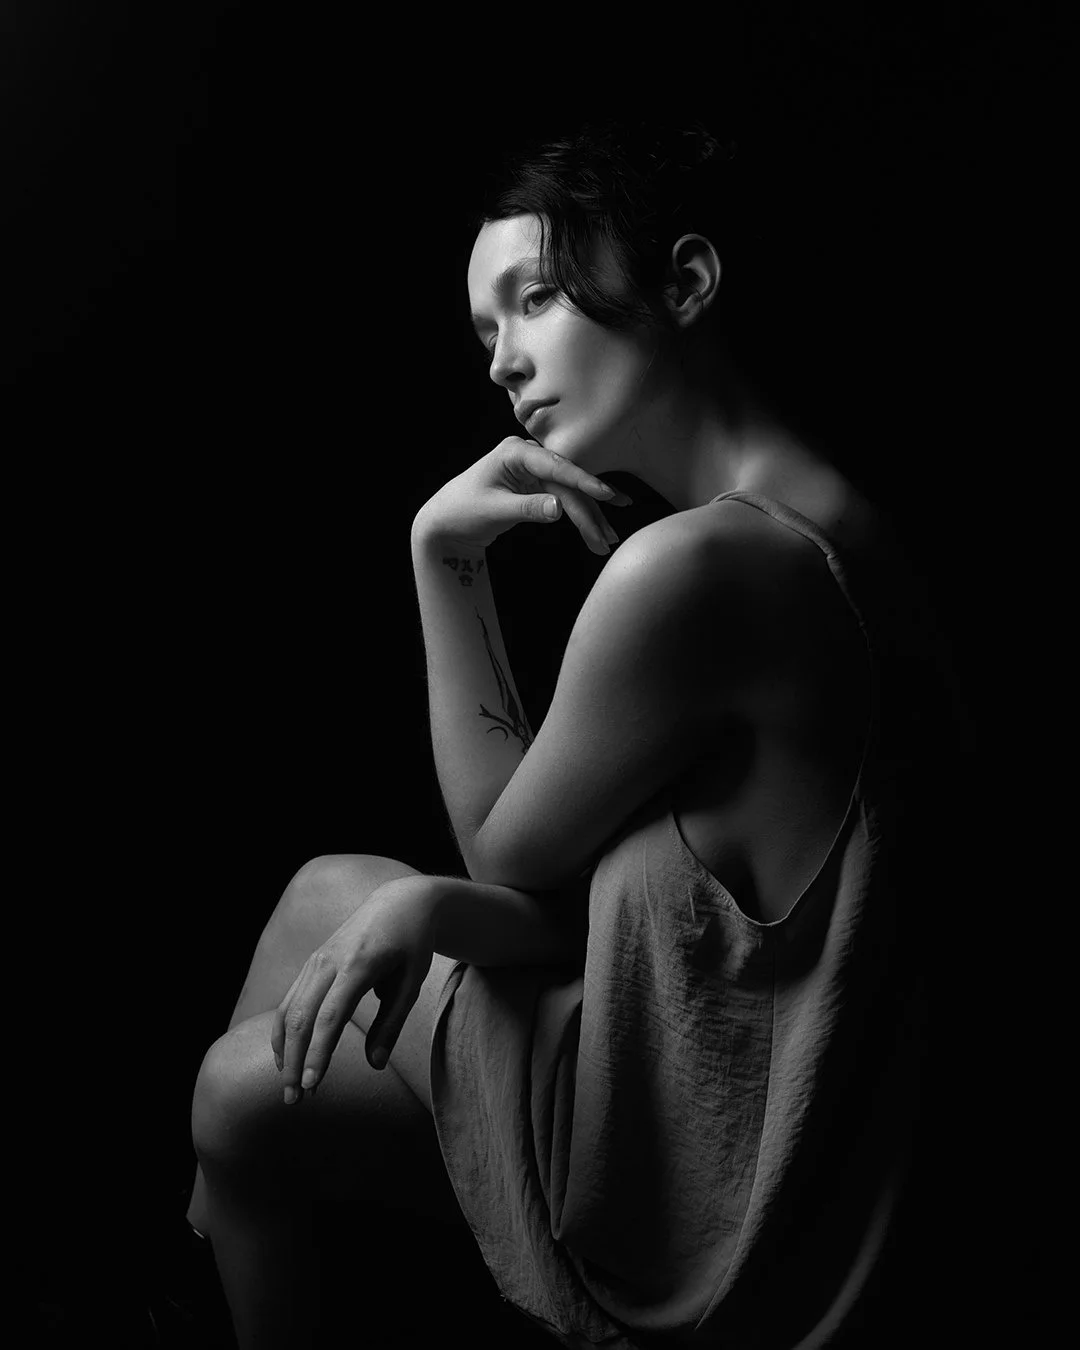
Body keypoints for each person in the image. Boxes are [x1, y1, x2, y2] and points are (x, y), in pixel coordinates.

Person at [187, 117, 951, 1349]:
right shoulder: (818, 519)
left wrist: (443, 560)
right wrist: (422, 908)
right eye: (485, 330)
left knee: (236, 1098)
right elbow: (643, 909)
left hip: (723, 1177)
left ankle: (225, 1210)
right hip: (735, 1064)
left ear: (686, 283)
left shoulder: (696, 570)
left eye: (534, 299)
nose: (500, 363)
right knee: (325, 895)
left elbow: (499, 854)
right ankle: (221, 1220)